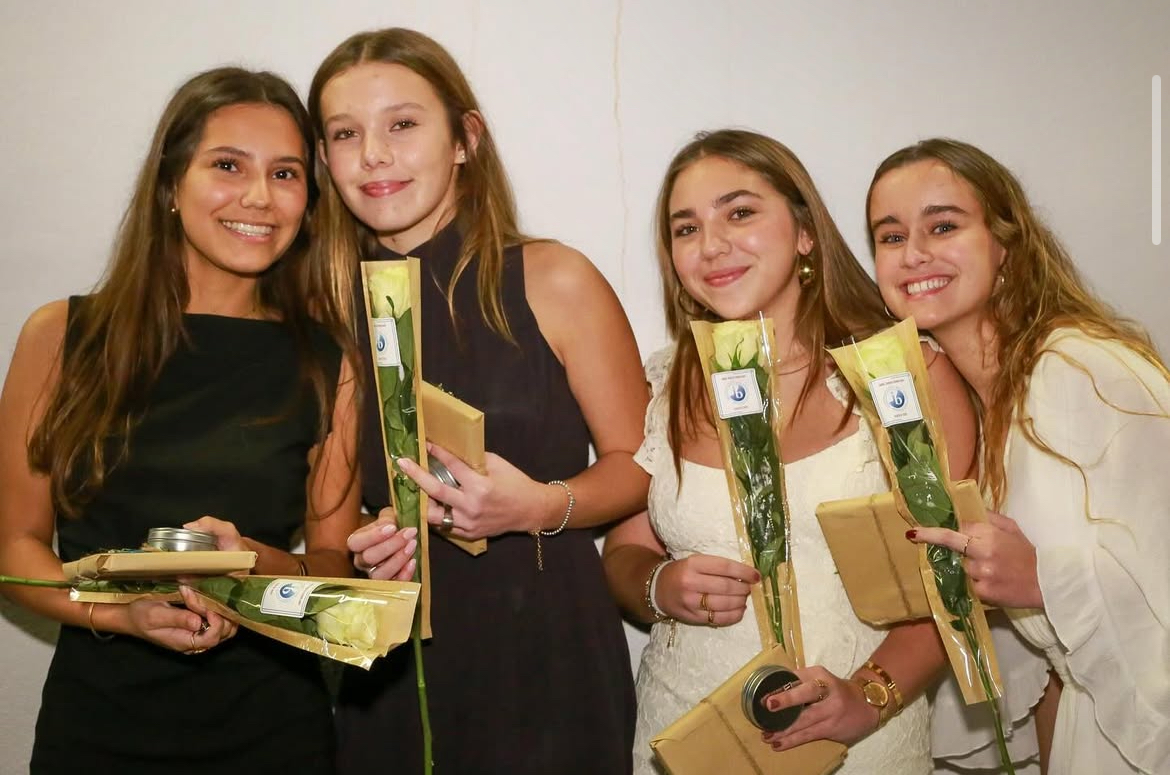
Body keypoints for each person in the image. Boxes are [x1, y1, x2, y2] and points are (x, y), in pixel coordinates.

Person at [0, 67, 360, 773]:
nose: (258, 196)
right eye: (227, 165)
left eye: (286, 173)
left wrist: (254, 564)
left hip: (271, 730)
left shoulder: (328, 359)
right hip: (96, 727)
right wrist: (117, 613)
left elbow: (334, 567)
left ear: (310, 202)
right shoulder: (61, 336)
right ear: (170, 185)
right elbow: (15, 547)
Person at [309, 28, 649, 774]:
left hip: (547, 657)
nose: (373, 154)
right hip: (392, 672)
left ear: (465, 139)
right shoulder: (331, 310)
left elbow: (641, 467)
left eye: (402, 124)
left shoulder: (554, 279)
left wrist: (534, 506)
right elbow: (327, 537)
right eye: (345, 133)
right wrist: (359, 566)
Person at [601, 128, 978, 774]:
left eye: (739, 212)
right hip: (691, 736)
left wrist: (868, 695)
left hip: (862, 743)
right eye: (685, 228)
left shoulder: (898, 376)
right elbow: (626, 550)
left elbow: (959, 575)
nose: (711, 245)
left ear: (805, 231)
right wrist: (661, 584)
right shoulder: (666, 381)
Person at [869, 137, 1170, 775]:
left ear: (1005, 242)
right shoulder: (982, 405)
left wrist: (1041, 580)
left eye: (943, 225)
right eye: (890, 237)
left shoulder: (1083, 370)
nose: (914, 253)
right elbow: (1054, 666)